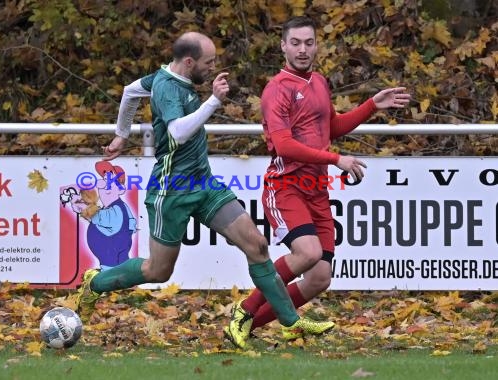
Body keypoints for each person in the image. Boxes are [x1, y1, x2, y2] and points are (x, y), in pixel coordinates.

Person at [73, 31, 334, 349]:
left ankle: (290, 324)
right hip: (172, 191)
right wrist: (214, 100)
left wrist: (121, 134)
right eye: (208, 63)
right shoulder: (167, 87)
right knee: (157, 271)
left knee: (257, 246)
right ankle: (95, 282)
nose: (212, 68)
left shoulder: (162, 76)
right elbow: (177, 132)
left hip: (204, 185)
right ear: (188, 62)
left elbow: (129, 91)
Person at [225, 16, 411, 345]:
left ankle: (250, 327)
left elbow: (331, 129)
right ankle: (245, 310)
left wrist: (371, 106)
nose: (302, 49)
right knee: (308, 252)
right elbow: (284, 146)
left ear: (316, 46)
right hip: (285, 186)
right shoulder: (276, 90)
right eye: (295, 43)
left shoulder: (319, 82)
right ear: (283, 46)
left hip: (316, 190)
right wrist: (336, 159)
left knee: (319, 277)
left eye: (308, 43)